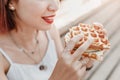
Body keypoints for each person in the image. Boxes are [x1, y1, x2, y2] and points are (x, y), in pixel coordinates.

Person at [0, 0, 94, 80]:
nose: (56, 6)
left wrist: (85, 63)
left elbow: (68, 75)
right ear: (11, 2)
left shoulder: (50, 31)